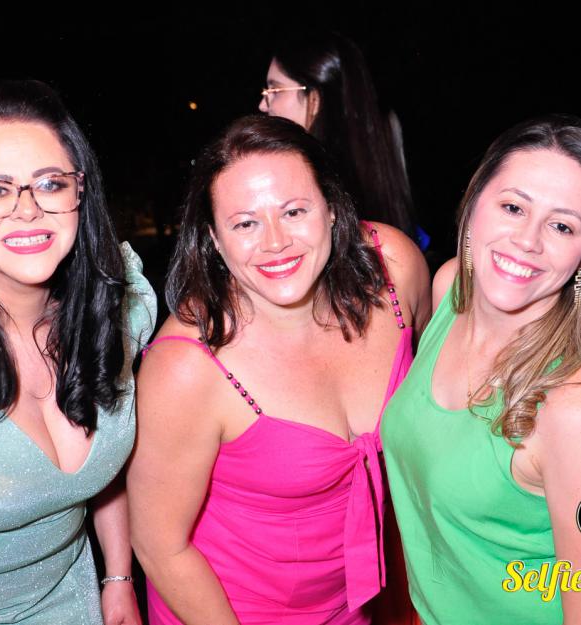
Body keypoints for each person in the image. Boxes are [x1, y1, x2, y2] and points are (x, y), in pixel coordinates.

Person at [128, 114, 429, 624]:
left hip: (362, 600)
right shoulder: (186, 368)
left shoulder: (393, 269)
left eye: (293, 211)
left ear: (331, 209)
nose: (274, 242)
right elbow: (160, 546)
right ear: (214, 238)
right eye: (245, 223)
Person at [0, 80, 156, 625]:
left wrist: (119, 576)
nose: (28, 210)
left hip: (75, 600)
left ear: (79, 193)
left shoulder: (116, 313)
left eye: (50, 183)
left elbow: (107, 461)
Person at [381, 114, 581, 624]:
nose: (528, 240)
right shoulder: (451, 289)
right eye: (513, 207)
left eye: (562, 225)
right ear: (474, 203)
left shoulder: (568, 410)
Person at [258, 31, 422, 247]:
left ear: (315, 99)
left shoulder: (312, 181)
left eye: (275, 89)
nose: (263, 105)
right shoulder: (380, 163)